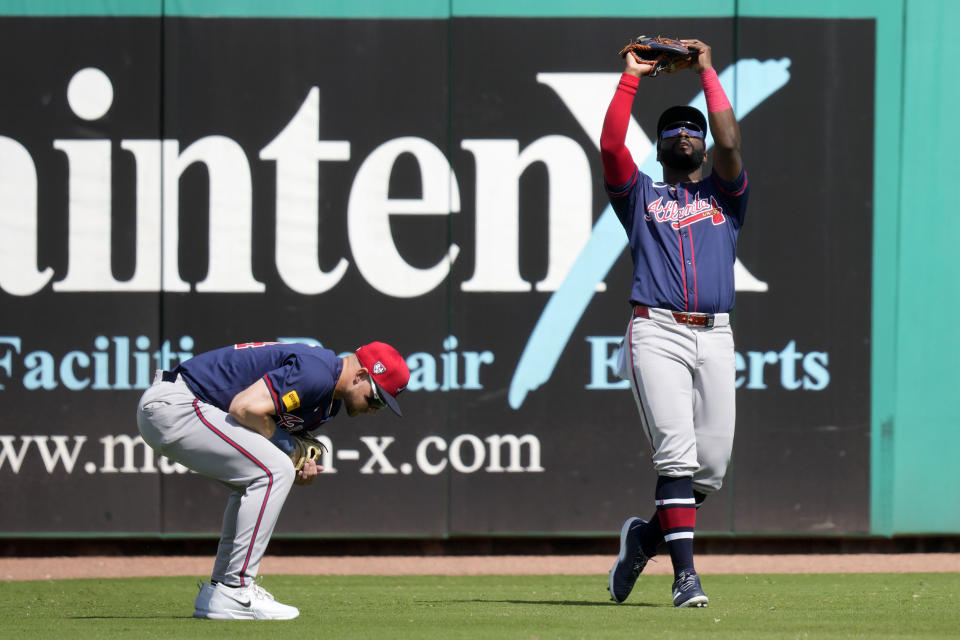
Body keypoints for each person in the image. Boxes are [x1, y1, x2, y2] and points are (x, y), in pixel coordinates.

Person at [601, 38, 748, 608]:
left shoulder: (727, 195)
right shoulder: (640, 195)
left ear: (704, 145)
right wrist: (632, 78)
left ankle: (644, 539)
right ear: (661, 147)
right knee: (677, 457)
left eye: (694, 129)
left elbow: (732, 141)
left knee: (709, 471)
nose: (685, 133)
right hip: (657, 330)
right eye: (673, 129)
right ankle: (685, 576)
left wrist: (708, 72)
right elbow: (613, 143)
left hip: (715, 332)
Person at [136, 340, 410, 619]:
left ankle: (219, 591)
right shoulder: (317, 373)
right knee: (273, 471)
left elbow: (268, 433)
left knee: (262, 474)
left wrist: (298, 461)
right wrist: (290, 453)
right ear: (361, 375)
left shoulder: (328, 402)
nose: (374, 409)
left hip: (182, 407)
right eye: (376, 398)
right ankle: (236, 589)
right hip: (176, 404)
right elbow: (244, 408)